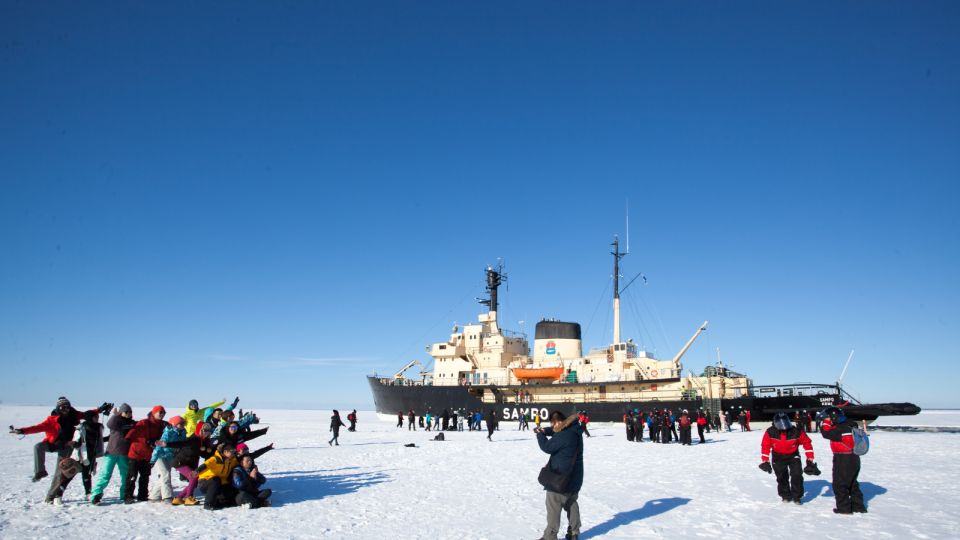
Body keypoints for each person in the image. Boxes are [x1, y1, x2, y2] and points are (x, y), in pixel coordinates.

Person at [10, 397, 110, 485]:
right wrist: (22, 430)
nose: (66, 409)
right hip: (54, 444)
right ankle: (40, 472)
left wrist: (99, 410)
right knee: (38, 446)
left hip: (68, 446)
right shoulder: (51, 420)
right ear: (58, 408)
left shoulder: (74, 414)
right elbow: (37, 428)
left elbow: (87, 415)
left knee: (60, 473)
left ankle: (53, 496)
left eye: (67, 407)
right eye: (63, 407)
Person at [535, 411, 584, 540]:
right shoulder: (574, 429)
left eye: (553, 423)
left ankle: (550, 536)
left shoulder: (564, 435)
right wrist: (545, 430)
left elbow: (547, 447)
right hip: (575, 477)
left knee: (553, 507)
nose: (553, 426)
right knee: (571, 503)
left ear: (557, 422)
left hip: (560, 478)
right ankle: (574, 532)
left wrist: (540, 435)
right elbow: (556, 430)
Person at [759, 412, 819, 504]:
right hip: (778, 456)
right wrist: (765, 460)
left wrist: (810, 458)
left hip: (793, 455)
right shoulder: (770, 432)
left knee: (797, 475)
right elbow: (765, 445)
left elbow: (807, 443)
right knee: (781, 477)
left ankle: (797, 496)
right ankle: (785, 495)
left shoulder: (796, 431)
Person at [819, 406, 866, 514]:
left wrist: (825, 422)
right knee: (852, 483)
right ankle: (858, 507)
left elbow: (826, 433)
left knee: (840, 484)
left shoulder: (840, 429)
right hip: (854, 457)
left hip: (843, 458)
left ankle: (844, 508)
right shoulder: (851, 424)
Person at [90, 404, 135, 505]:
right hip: (111, 453)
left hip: (124, 453)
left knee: (125, 475)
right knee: (105, 474)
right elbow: (110, 425)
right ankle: (96, 494)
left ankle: (124, 494)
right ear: (121, 412)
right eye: (126, 412)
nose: (128, 414)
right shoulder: (116, 421)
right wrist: (115, 415)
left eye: (130, 412)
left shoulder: (132, 423)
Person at [166, 421, 218, 506]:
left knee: (194, 481)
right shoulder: (193, 439)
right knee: (194, 477)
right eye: (205, 430)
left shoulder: (204, 441)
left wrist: (208, 450)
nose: (207, 432)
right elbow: (181, 443)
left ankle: (179, 498)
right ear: (199, 430)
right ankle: (188, 498)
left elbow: (203, 454)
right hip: (181, 462)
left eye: (209, 431)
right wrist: (166, 444)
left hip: (191, 463)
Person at [125, 405, 167, 503]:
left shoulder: (162, 425)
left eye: (163, 413)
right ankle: (128, 496)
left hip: (148, 455)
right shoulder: (144, 422)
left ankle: (142, 495)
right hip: (136, 453)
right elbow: (133, 431)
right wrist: (127, 439)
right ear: (153, 412)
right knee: (132, 476)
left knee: (145, 476)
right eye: (160, 412)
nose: (162, 415)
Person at [149, 415, 185, 503]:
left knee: (163, 476)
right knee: (165, 474)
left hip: (170, 457)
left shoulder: (182, 432)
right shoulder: (168, 432)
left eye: (183, 423)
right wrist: (152, 460)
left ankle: (154, 496)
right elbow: (158, 447)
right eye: (180, 423)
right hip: (161, 456)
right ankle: (167, 497)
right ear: (175, 424)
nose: (183, 425)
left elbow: (182, 444)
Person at [197, 444, 239, 510]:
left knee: (229, 488)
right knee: (215, 480)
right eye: (232, 452)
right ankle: (208, 504)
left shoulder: (231, 461)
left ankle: (220, 502)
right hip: (205, 482)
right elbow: (205, 465)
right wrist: (196, 471)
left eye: (234, 452)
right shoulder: (216, 459)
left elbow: (241, 462)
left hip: (220, 483)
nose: (234, 453)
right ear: (225, 452)